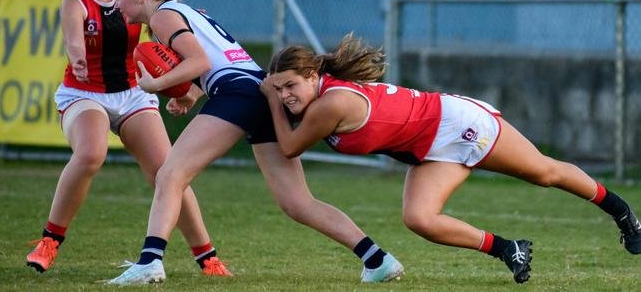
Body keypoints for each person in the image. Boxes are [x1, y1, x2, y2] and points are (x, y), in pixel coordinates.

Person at [106, 0, 404, 285]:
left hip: (239, 93)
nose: (116, 3)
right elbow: (211, 61)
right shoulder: (184, 11)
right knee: (297, 203)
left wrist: (154, 85)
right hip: (258, 93)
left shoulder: (163, 16)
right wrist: (192, 93)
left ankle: (150, 261)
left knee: (170, 174)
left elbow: (200, 61)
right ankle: (377, 259)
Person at [259, 33, 641, 284]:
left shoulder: (332, 102)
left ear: (313, 75)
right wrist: (278, 96)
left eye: (290, 86)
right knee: (419, 219)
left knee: (544, 172)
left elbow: (290, 147)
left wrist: (270, 100)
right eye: (279, 89)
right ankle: (509, 248)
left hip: (457, 124)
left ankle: (624, 215)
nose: (285, 95)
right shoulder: (318, 97)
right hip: (428, 151)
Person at [26, 0, 232, 278]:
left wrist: (186, 87)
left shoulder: (137, 0)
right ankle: (49, 241)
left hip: (134, 92)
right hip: (84, 93)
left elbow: (170, 45)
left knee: (168, 172)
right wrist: (77, 57)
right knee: (91, 153)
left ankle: (208, 259)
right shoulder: (74, 1)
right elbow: (74, 41)